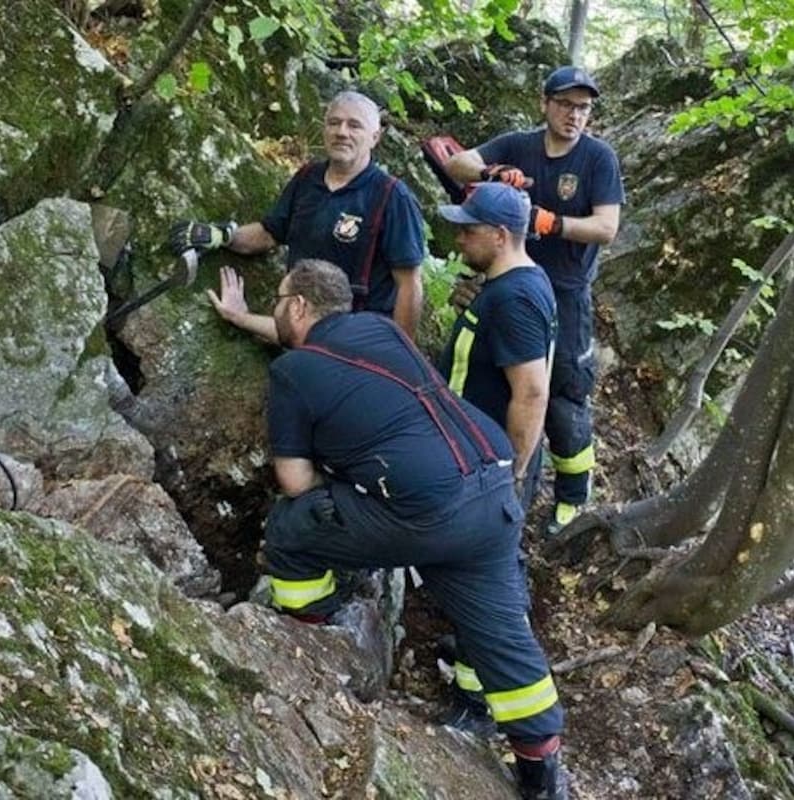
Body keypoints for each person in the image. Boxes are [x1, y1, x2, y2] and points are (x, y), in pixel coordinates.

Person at [209, 258, 567, 799]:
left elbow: (295, 480)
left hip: (425, 508)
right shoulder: (380, 328)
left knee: (291, 526)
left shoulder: (291, 374)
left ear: (300, 306)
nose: (276, 309)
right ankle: (542, 773)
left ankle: (307, 633)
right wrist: (243, 319)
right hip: (492, 484)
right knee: (504, 635)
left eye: (279, 301)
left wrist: (343, 477)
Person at [444, 65, 624, 536]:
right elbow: (455, 162)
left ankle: (572, 492)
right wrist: (491, 172)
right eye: (566, 104)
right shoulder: (519, 144)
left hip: (564, 293)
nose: (574, 115)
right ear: (545, 103)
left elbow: (607, 227)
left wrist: (550, 222)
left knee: (563, 396)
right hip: (507, 281)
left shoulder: (597, 159)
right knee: (494, 379)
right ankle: (493, 475)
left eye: (584, 107)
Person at [170, 90, 425, 338]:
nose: (341, 132)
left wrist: (399, 353)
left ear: (375, 136)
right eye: (334, 123)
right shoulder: (307, 178)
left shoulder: (391, 197)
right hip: (301, 331)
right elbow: (269, 233)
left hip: (356, 341)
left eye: (354, 125)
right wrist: (222, 235)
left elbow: (409, 284)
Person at [436, 182, 556, 510]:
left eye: (469, 230)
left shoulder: (514, 299)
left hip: (483, 467)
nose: (459, 239)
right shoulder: (511, 284)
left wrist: (510, 476)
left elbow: (532, 393)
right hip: (468, 454)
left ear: (500, 236)